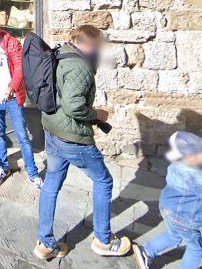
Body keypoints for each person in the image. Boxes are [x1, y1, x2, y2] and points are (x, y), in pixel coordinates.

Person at [35, 25, 131, 261]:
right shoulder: (81, 66)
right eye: (98, 46)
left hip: (52, 129)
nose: (99, 51)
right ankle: (103, 240)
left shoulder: (60, 53)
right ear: (90, 45)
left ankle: (45, 244)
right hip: (72, 137)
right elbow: (74, 106)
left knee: (52, 183)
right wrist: (96, 114)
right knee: (104, 181)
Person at [132, 132, 202, 269]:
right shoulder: (196, 177)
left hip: (168, 209)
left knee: (174, 235)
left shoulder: (175, 165)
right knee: (196, 249)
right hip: (184, 217)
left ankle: (146, 251)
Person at [0, 13, 42, 188]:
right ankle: (3, 167)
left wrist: (12, 86)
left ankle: (32, 173)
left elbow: (20, 68)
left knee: (23, 136)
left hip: (11, 97)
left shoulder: (11, 43)